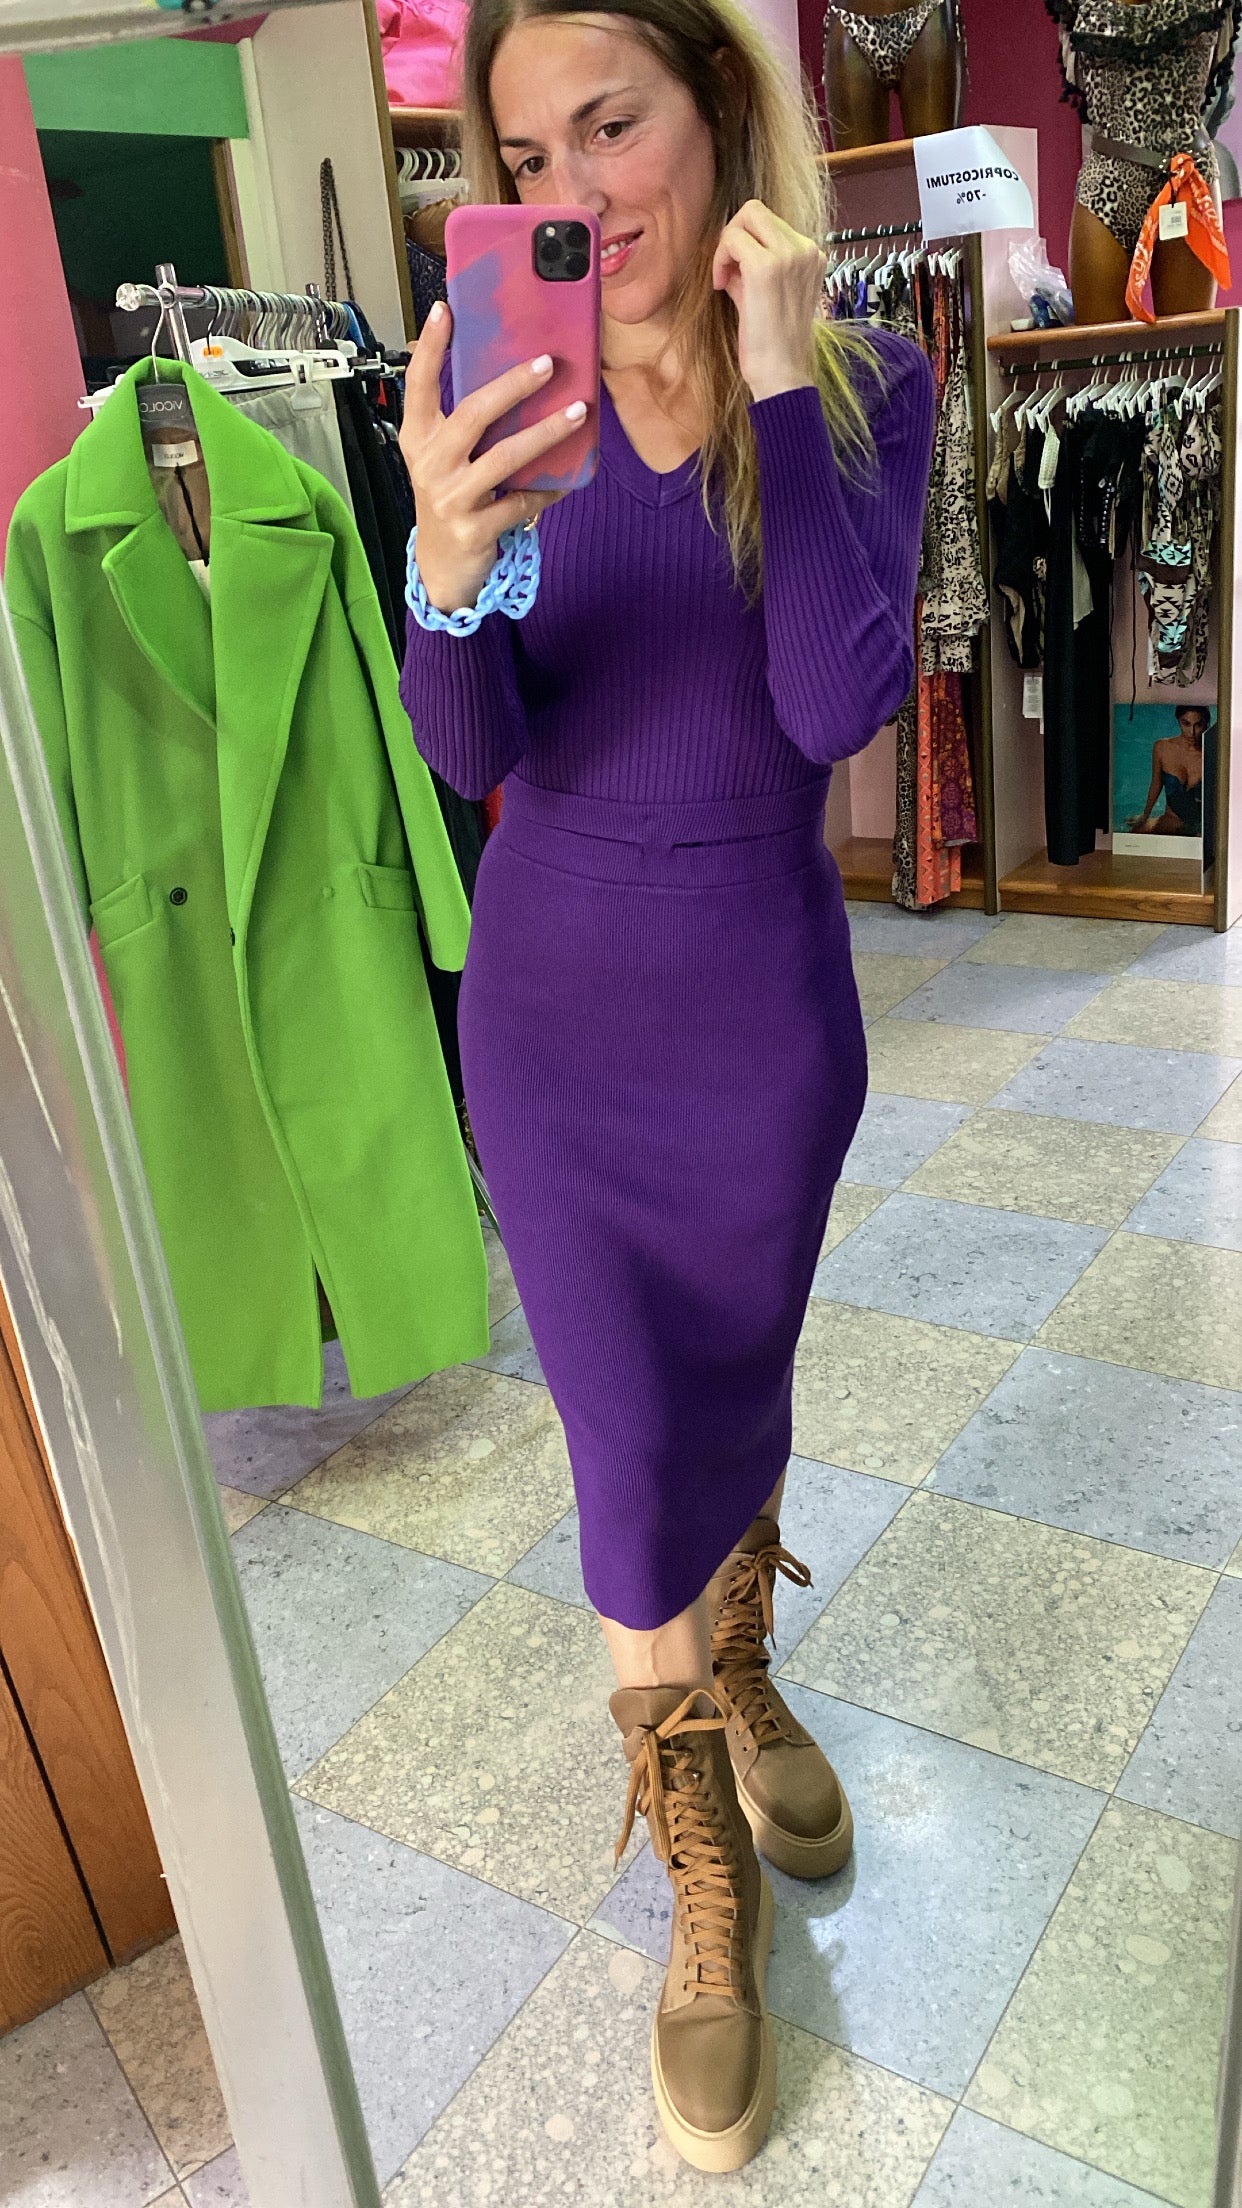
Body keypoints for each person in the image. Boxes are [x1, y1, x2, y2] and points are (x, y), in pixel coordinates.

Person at [399, 0, 933, 2169]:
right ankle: (697, 1857)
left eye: (608, 125)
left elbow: (830, 702)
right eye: (525, 154)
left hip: (762, 1022)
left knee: (735, 1394)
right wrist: (445, 569)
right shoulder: (504, 389)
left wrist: (783, 387)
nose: (574, 193)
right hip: (554, 1021)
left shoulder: (865, 378)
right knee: (625, 1451)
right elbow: (472, 749)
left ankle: (740, 1663)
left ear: (715, 107)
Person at [1129, 703, 1209, 837]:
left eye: (1198, 725)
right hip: (1171, 820)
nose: (1192, 732)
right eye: (1186, 724)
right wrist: (1145, 816)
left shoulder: (1212, 753)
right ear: (1178, 720)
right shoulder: (1162, 747)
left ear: (1206, 724)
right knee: (1132, 836)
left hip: (1199, 827)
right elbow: (1156, 783)